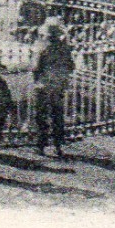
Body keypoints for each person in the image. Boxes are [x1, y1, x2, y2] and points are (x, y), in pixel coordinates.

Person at [32, 17, 74, 156]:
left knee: (41, 116)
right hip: (59, 85)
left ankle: (41, 145)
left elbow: (35, 66)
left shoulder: (42, 47)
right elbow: (71, 66)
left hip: (43, 85)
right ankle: (58, 145)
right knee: (57, 115)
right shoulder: (64, 48)